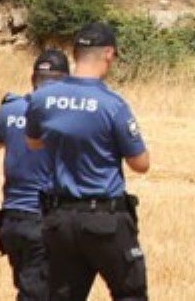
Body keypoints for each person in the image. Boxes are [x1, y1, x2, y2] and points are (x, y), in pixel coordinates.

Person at [25, 22, 151, 301]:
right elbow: (140, 163)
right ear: (108, 54)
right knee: (131, 292)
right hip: (104, 220)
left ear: (74, 53)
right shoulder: (112, 104)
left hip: (59, 221)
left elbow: (33, 143)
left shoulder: (42, 98)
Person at [0, 49, 71, 301]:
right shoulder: (66, 117)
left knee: (29, 286)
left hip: (11, 219)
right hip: (43, 218)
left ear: (32, 78)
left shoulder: (9, 110)